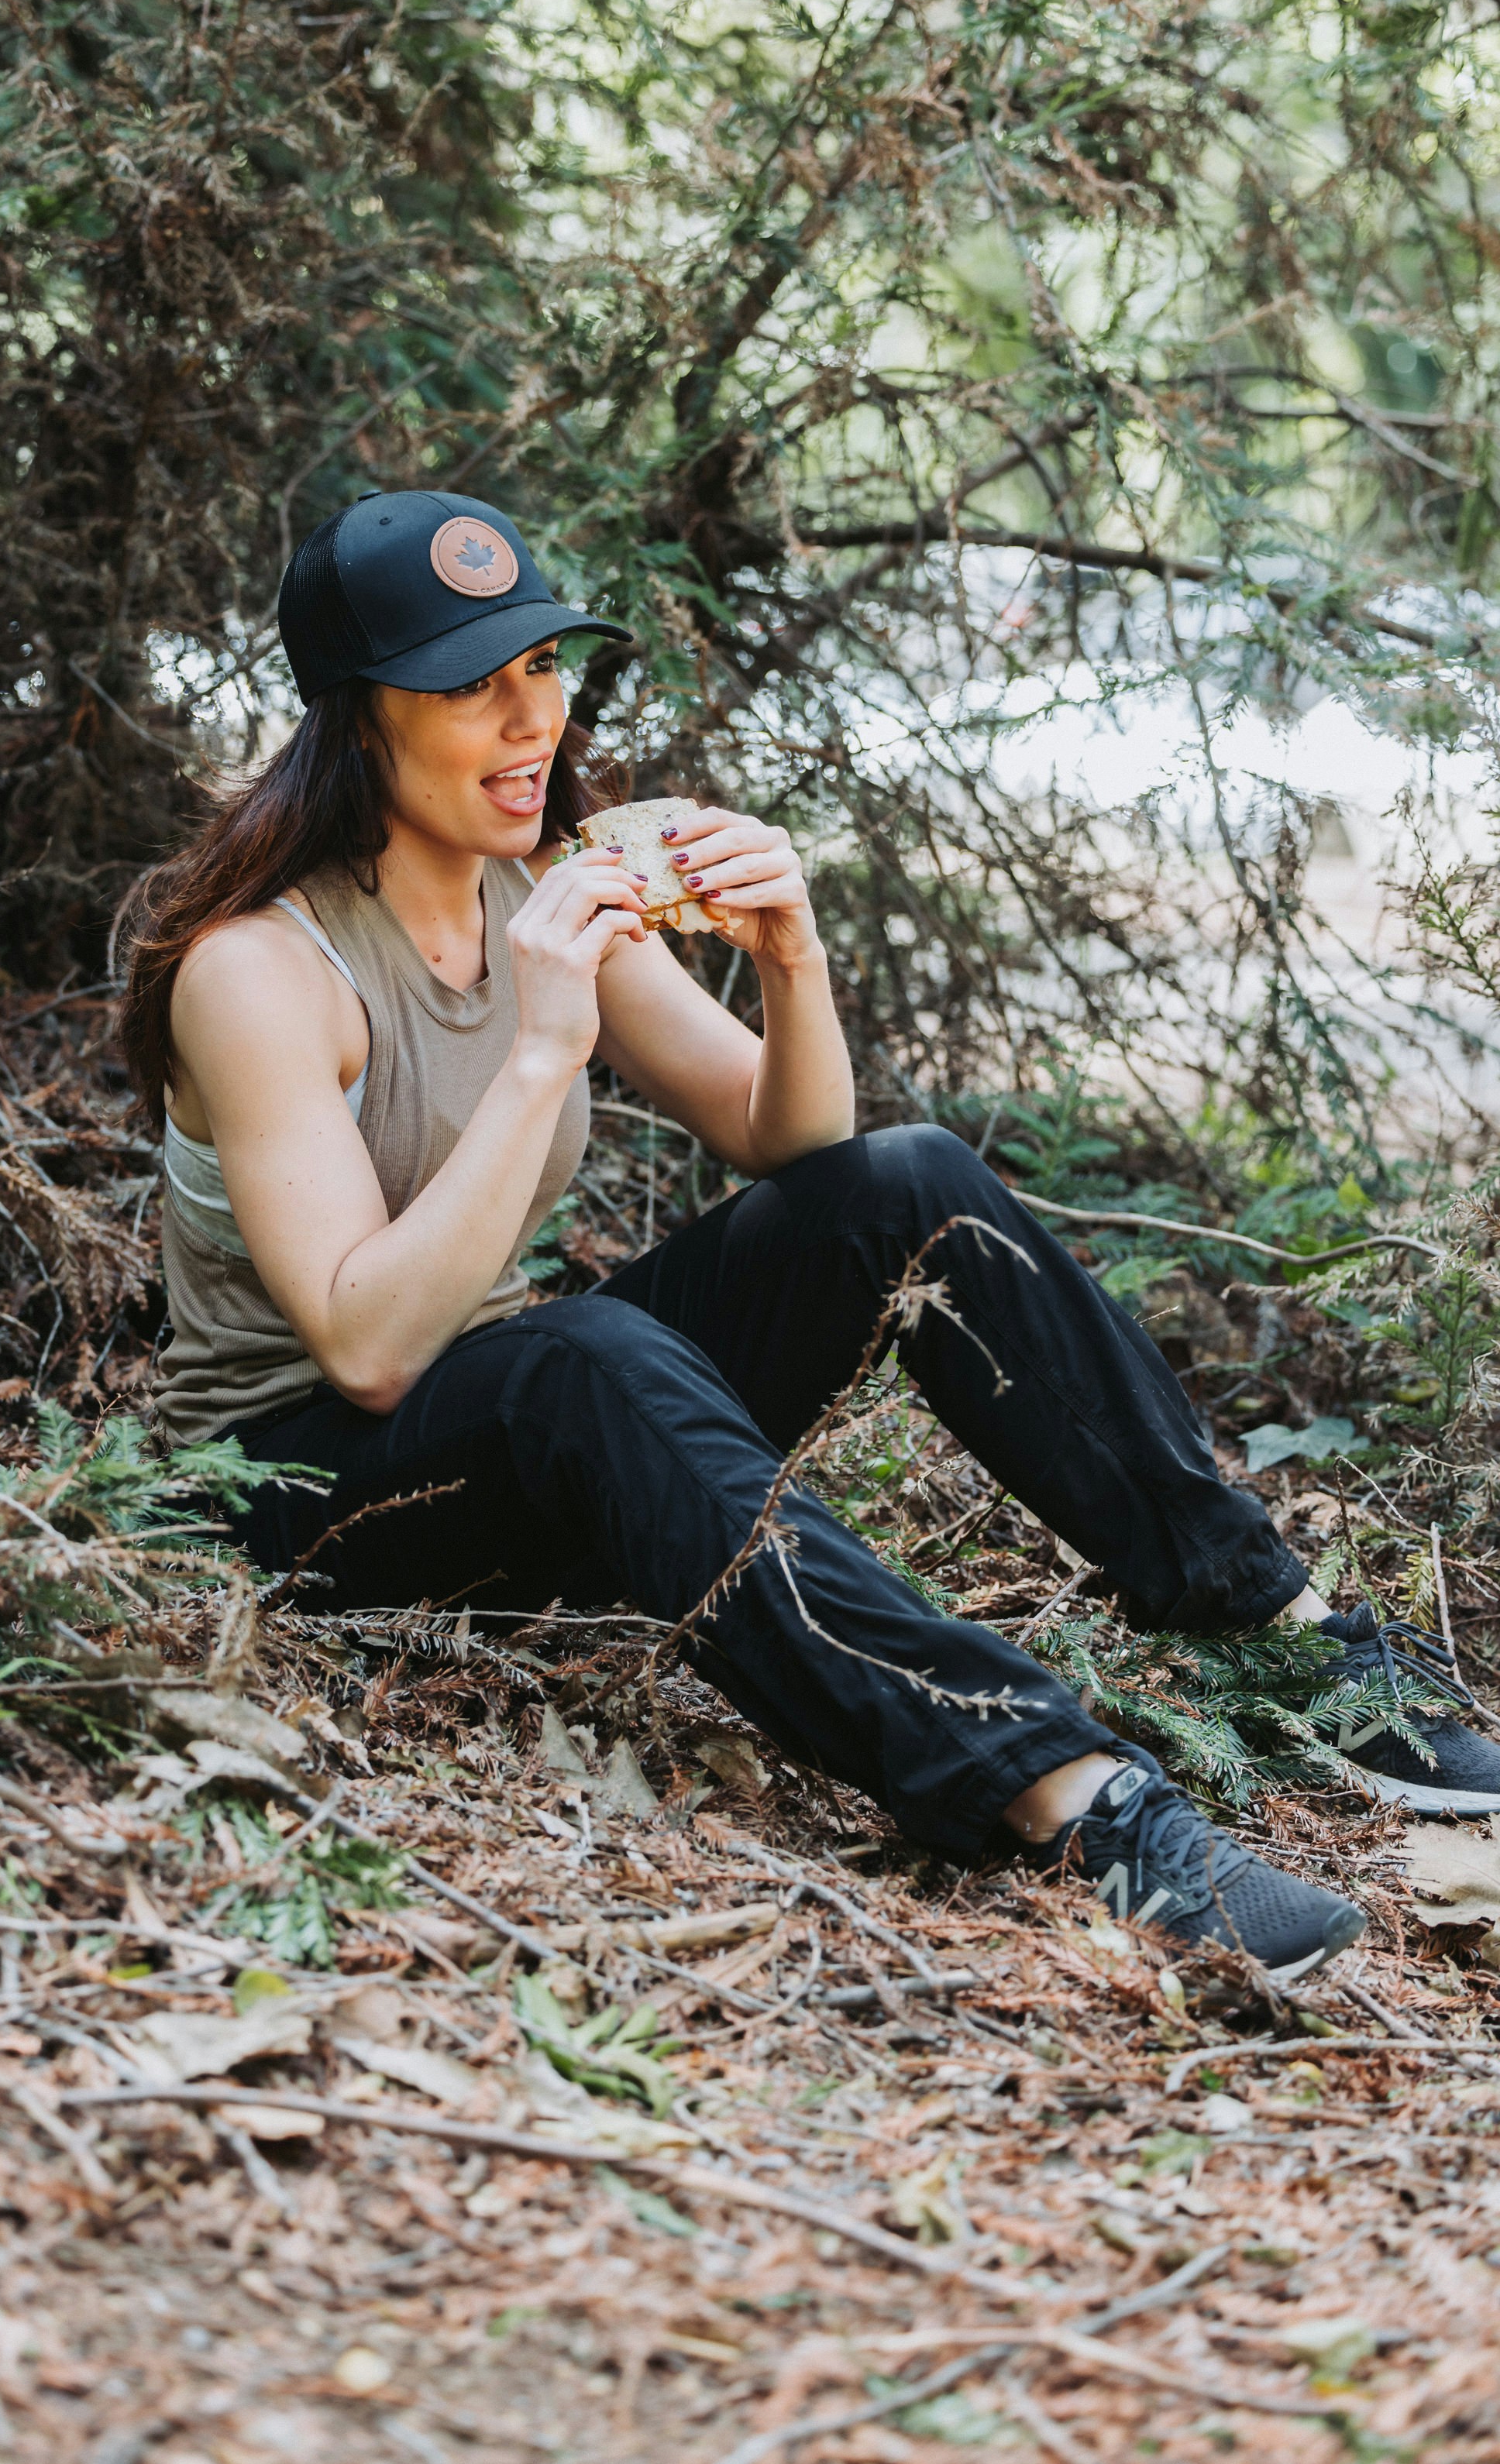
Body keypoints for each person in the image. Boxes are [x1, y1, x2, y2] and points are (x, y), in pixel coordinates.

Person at [120, 490, 1500, 1980]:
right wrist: (541, 1050)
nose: (528, 722)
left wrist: (793, 957)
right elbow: (370, 1350)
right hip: (305, 1497)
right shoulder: (260, 970)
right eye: (468, 687)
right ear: (355, 715)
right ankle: (1082, 1806)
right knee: (576, 1349)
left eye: (541, 669)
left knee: (910, 1182)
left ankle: (1290, 1638)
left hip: (535, 1437)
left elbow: (802, 1152)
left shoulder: (542, 883)